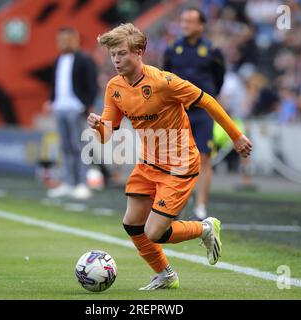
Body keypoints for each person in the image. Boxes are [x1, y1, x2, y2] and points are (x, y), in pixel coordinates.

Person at [88, 23, 252, 290]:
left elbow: (208, 100)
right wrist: (98, 127)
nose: (116, 60)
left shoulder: (164, 82)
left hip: (180, 164)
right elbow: (107, 133)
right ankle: (166, 275)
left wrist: (235, 136)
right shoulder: (114, 87)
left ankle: (205, 229)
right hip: (149, 162)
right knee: (132, 223)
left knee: (155, 232)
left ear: (139, 52)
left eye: (121, 53)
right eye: (112, 55)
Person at [163, 7, 226, 220]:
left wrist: (208, 99)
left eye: (190, 21)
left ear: (201, 25)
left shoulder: (212, 50)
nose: (185, 25)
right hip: (178, 111)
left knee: (204, 158)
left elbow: (219, 79)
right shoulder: (172, 49)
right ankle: (181, 197)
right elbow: (166, 78)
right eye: (183, 21)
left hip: (202, 112)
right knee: (177, 158)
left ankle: (201, 205)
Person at [45, 27, 98, 199]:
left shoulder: (84, 59)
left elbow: (92, 84)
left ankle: (82, 183)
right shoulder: (58, 59)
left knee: (79, 147)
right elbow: (55, 84)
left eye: (67, 39)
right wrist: (51, 100)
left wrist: (87, 104)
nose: (64, 43)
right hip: (60, 107)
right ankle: (68, 183)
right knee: (66, 147)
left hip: (76, 108)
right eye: (61, 40)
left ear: (75, 40)